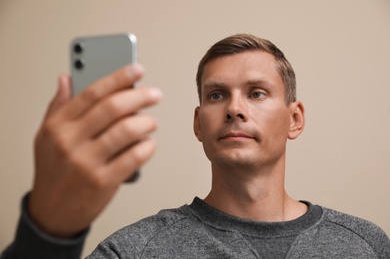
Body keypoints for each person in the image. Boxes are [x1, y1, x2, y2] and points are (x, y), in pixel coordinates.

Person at [2, 34, 390, 258]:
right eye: (217, 95)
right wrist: (47, 231)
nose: (235, 109)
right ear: (197, 124)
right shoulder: (134, 251)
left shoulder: (368, 245)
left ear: (295, 119)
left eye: (256, 93)